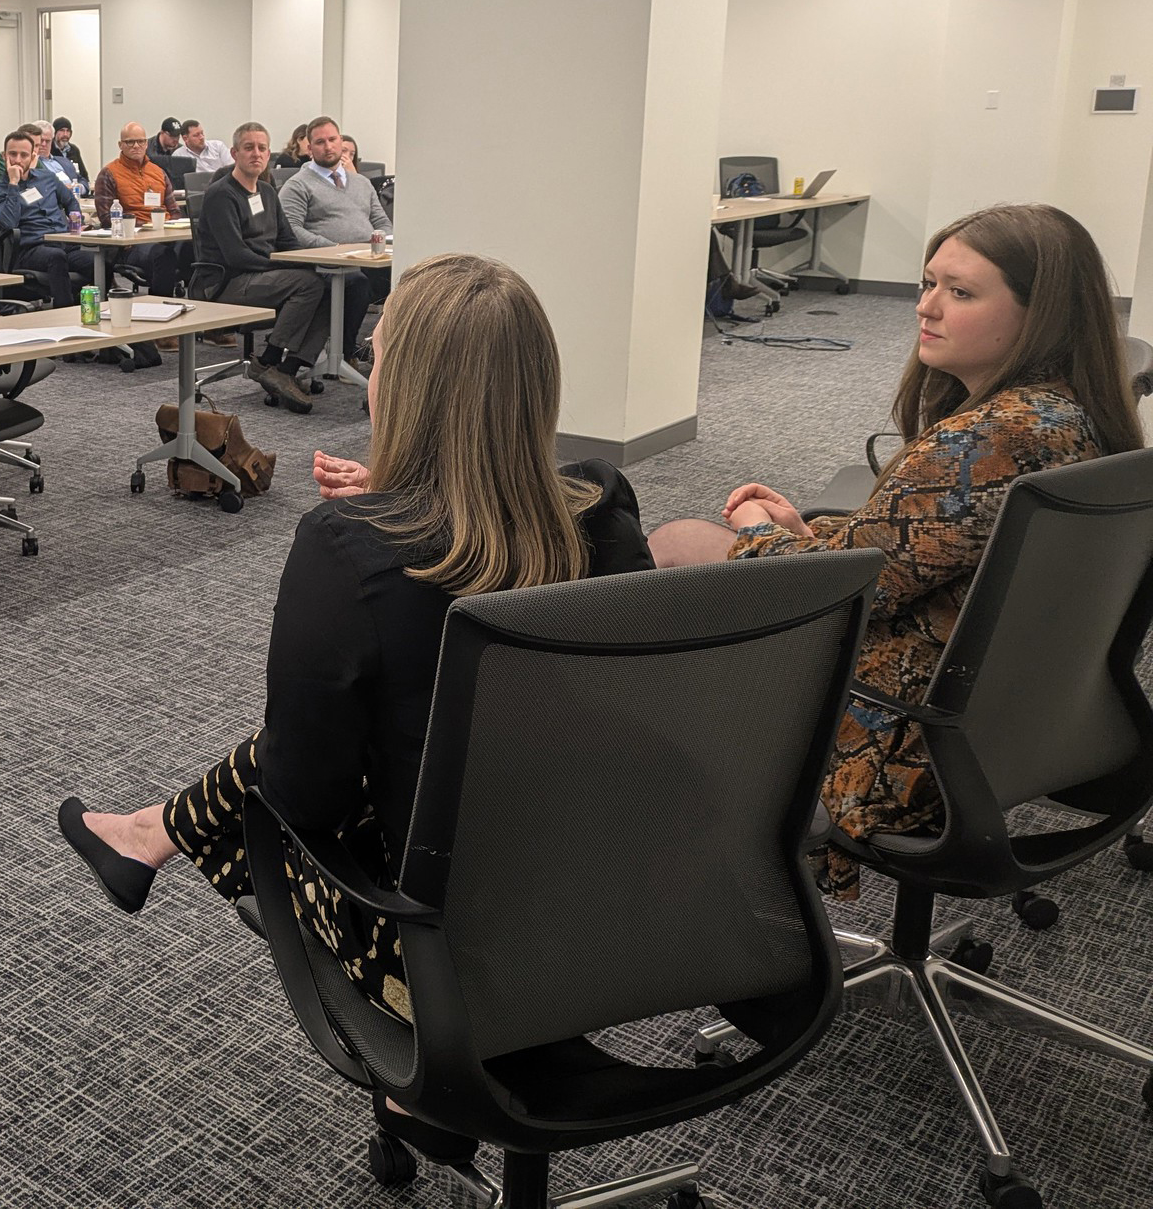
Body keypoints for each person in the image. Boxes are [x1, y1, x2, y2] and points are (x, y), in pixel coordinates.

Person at [56, 252, 653, 1027]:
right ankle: (147, 832)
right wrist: (415, 501)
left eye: (376, 360)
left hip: (437, 946)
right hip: (623, 904)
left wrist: (386, 525)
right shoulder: (606, 507)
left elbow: (305, 796)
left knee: (312, 742)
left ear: (398, 388)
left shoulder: (344, 549)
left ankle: (153, 833)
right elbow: (510, 549)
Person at [647, 204, 1145, 899]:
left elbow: (833, 593)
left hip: (897, 729)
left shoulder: (981, 443)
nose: (925, 307)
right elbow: (910, 555)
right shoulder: (1072, 416)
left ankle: (692, 839)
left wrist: (763, 524)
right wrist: (810, 532)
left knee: (677, 545)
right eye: (927, 282)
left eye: (960, 292)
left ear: (1040, 315)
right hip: (1019, 722)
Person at [189, 123, 327, 412]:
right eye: (249, 147)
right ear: (234, 153)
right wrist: (282, 266)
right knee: (309, 284)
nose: (256, 154)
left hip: (261, 277)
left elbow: (287, 241)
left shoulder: (266, 191)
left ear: (269, 154)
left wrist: (316, 260)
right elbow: (236, 255)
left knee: (328, 283)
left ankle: (288, 369)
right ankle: (269, 361)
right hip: (227, 283)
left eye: (262, 148)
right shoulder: (221, 194)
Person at [280, 117, 392, 366]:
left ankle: (385, 353)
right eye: (320, 142)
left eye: (333, 140)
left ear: (341, 142)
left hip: (367, 259)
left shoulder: (361, 183)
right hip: (323, 264)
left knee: (403, 275)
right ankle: (345, 353)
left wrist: (378, 244)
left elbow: (383, 224)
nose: (328, 146)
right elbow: (291, 230)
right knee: (357, 282)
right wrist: (334, 249)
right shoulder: (298, 185)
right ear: (309, 149)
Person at [0, 128, 89, 311]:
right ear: (4, 156)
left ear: (32, 157)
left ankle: (98, 313)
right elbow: (8, 223)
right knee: (56, 257)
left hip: (64, 243)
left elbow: (71, 201)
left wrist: (75, 224)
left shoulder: (47, 178)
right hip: (29, 249)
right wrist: (13, 184)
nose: (17, 160)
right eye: (12, 154)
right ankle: (65, 313)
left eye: (23, 155)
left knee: (99, 260)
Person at [90, 121, 183, 302]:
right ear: (120, 145)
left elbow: (175, 211)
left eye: (140, 142)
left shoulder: (158, 172)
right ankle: (159, 308)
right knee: (164, 256)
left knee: (194, 250)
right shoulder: (109, 173)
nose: (136, 146)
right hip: (130, 245)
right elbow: (107, 219)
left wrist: (165, 228)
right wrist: (147, 227)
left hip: (165, 237)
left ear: (146, 144)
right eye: (130, 142)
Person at [50, 117, 88, 183]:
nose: (65, 134)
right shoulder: (50, 150)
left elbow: (84, 175)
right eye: (62, 130)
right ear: (54, 133)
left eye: (68, 131)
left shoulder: (74, 150)